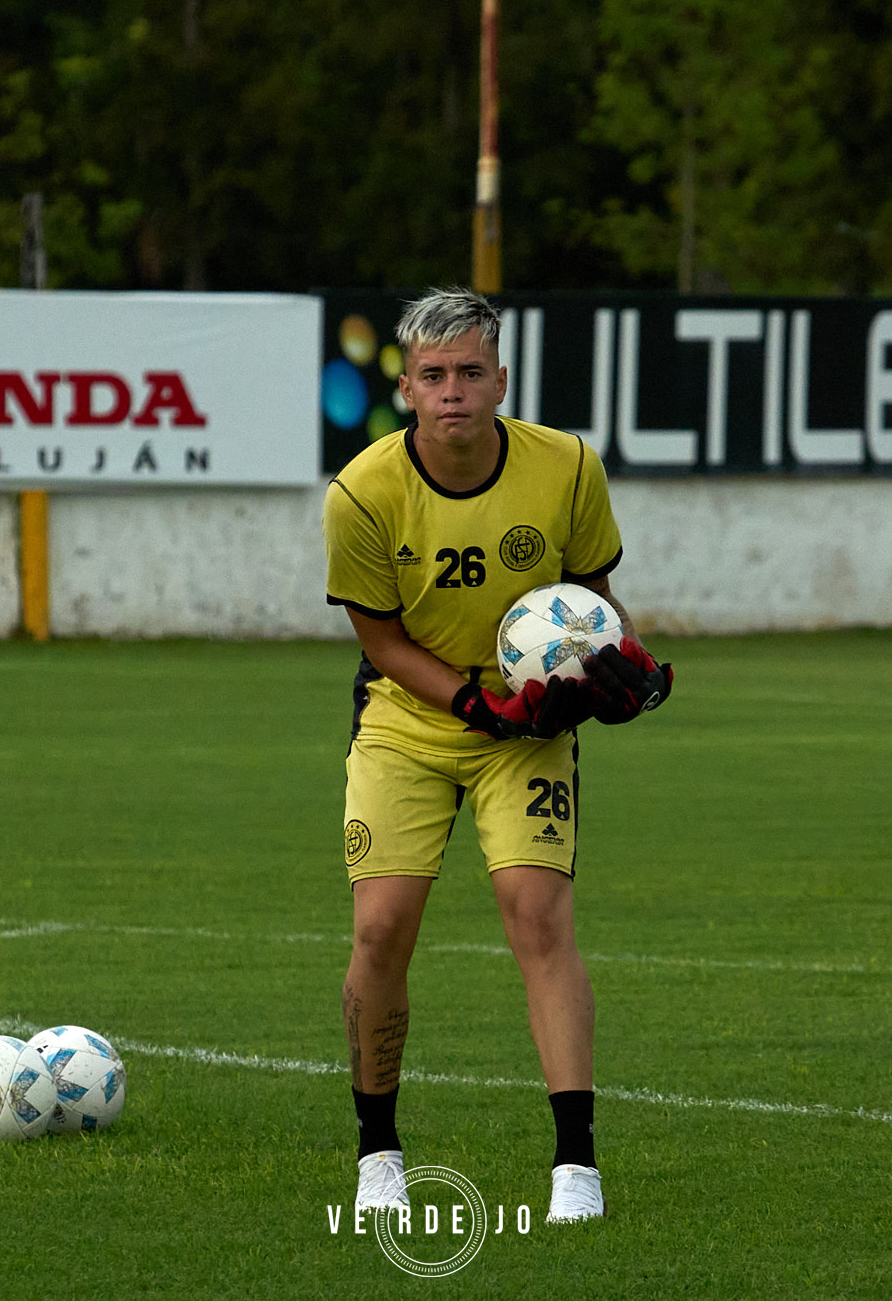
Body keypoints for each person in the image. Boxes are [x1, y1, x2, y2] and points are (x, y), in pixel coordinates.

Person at [321, 287, 674, 1226]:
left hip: (529, 728)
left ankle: (576, 1168)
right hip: (409, 719)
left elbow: (593, 600)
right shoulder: (361, 493)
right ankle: (378, 1150)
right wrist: (474, 700)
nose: (452, 393)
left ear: (501, 380)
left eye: (470, 373)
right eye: (433, 376)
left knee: (538, 914)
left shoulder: (565, 467)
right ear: (406, 388)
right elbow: (381, 639)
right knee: (382, 929)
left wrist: (629, 670)